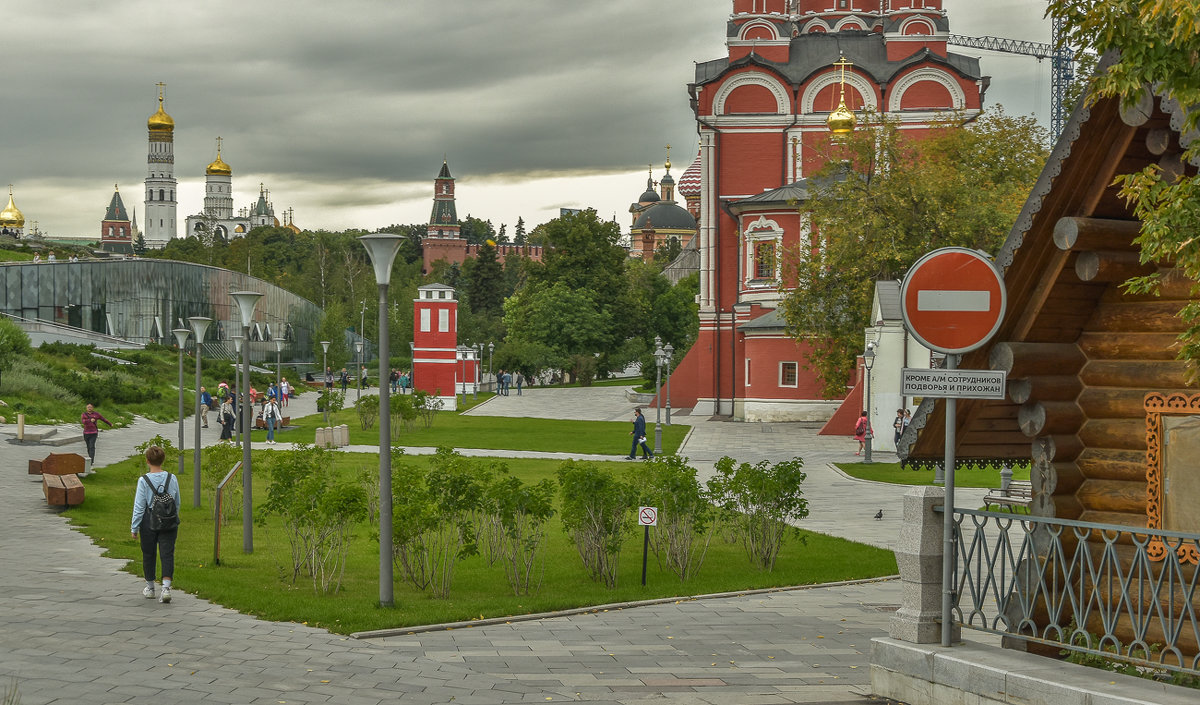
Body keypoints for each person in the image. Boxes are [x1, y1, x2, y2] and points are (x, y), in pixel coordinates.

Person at [130, 445, 180, 603]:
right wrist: (173, 516)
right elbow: (176, 502)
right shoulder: (171, 478)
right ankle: (166, 588)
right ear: (163, 460)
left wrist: (134, 528)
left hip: (149, 520)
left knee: (149, 553)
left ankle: (150, 587)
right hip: (168, 520)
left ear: (147, 461)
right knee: (167, 553)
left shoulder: (143, 480)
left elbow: (139, 506)